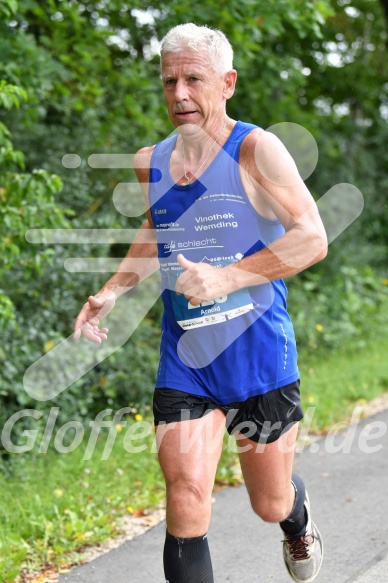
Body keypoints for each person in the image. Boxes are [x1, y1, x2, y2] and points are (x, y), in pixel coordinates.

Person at [74, 23, 328, 583]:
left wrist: (229, 277)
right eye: (169, 82)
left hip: (259, 354)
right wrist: (112, 290)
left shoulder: (256, 149)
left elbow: (312, 236)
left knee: (269, 502)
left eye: (194, 79)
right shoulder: (152, 161)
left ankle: (296, 514)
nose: (180, 94)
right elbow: (156, 231)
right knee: (186, 495)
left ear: (227, 82)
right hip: (187, 359)